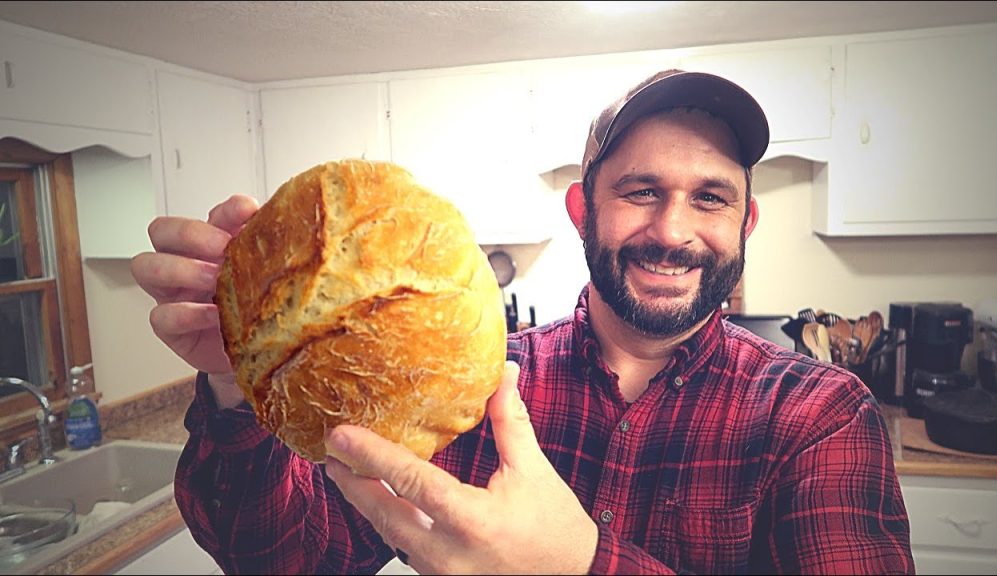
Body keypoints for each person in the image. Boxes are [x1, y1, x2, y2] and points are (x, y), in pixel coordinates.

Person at [132, 69, 914, 575]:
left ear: (743, 226)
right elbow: (284, 556)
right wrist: (239, 385)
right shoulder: (456, 383)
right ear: (584, 209)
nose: (675, 230)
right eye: (640, 190)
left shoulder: (820, 414)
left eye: (711, 197)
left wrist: (581, 564)